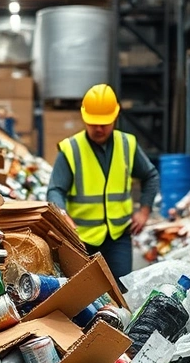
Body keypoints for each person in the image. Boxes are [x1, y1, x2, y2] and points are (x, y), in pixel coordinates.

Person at [46, 84, 160, 280]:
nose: (98, 128)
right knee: (84, 295)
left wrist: (144, 211)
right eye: (93, 123)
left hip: (118, 237)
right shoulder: (71, 149)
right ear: (84, 118)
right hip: (81, 238)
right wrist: (63, 217)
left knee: (121, 291)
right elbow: (55, 191)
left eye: (104, 123)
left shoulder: (127, 144)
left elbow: (150, 176)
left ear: (115, 118)